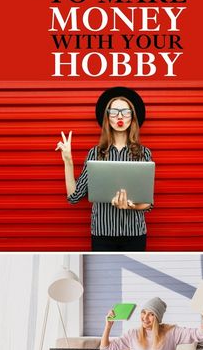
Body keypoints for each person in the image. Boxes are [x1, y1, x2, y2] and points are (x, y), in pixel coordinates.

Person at [56, 86, 153, 252]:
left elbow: (148, 203)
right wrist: (68, 161)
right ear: (108, 117)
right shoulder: (95, 153)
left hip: (135, 234)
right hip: (102, 234)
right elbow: (74, 197)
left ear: (132, 117)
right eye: (114, 112)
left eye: (125, 111)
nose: (120, 116)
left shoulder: (144, 153)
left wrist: (131, 206)